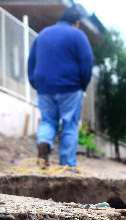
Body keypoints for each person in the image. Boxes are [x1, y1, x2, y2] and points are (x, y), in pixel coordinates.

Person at [28, 6, 94, 169]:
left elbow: (31, 62)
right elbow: (87, 63)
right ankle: (67, 166)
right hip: (70, 87)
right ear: (77, 22)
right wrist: (83, 85)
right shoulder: (78, 35)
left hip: (44, 87)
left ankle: (44, 144)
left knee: (48, 121)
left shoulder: (43, 34)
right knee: (69, 124)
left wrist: (35, 82)